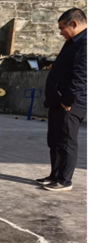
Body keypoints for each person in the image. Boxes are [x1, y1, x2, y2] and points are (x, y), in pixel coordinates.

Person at [36, 8, 87, 192]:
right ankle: (55, 175)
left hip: (71, 103)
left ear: (74, 24)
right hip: (58, 101)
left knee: (66, 141)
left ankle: (65, 180)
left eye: (62, 28)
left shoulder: (85, 43)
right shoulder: (73, 41)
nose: (60, 33)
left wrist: (68, 100)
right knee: (55, 140)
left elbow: (82, 76)